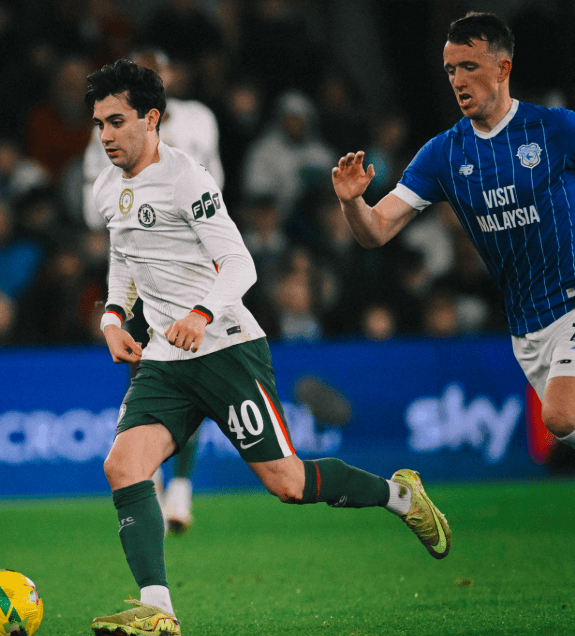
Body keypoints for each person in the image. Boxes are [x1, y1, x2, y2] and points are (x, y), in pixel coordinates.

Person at [86, 58, 450, 636]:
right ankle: (158, 611)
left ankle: (399, 495)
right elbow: (123, 258)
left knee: (290, 484)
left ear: (151, 119)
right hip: (165, 358)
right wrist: (112, 316)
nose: (105, 135)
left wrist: (201, 314)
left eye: (115, 121)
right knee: (123, 466)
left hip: (226, 349)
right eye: (99, 123)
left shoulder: (187, 179)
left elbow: (240, 264)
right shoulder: (109, 187)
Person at [332, 12, 575, 450]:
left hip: (571, 302)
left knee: (559, 415)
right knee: (565, 427)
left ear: (502, 68)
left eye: (469, 66)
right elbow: (376, 231)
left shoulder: (553, 128)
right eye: (450, 70)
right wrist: (353, 203)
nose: (458, 81)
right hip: (527, 327)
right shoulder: (443, 154)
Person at [82, 48, 225, 534]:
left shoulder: (200, 120)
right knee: (145, 371)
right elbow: (94, 202)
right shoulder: (110, 130)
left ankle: (180, 485)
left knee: (191, 372)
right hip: (137, 262)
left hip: (192, 263)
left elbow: (215, 183)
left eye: (160, 67)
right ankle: (154, 479)